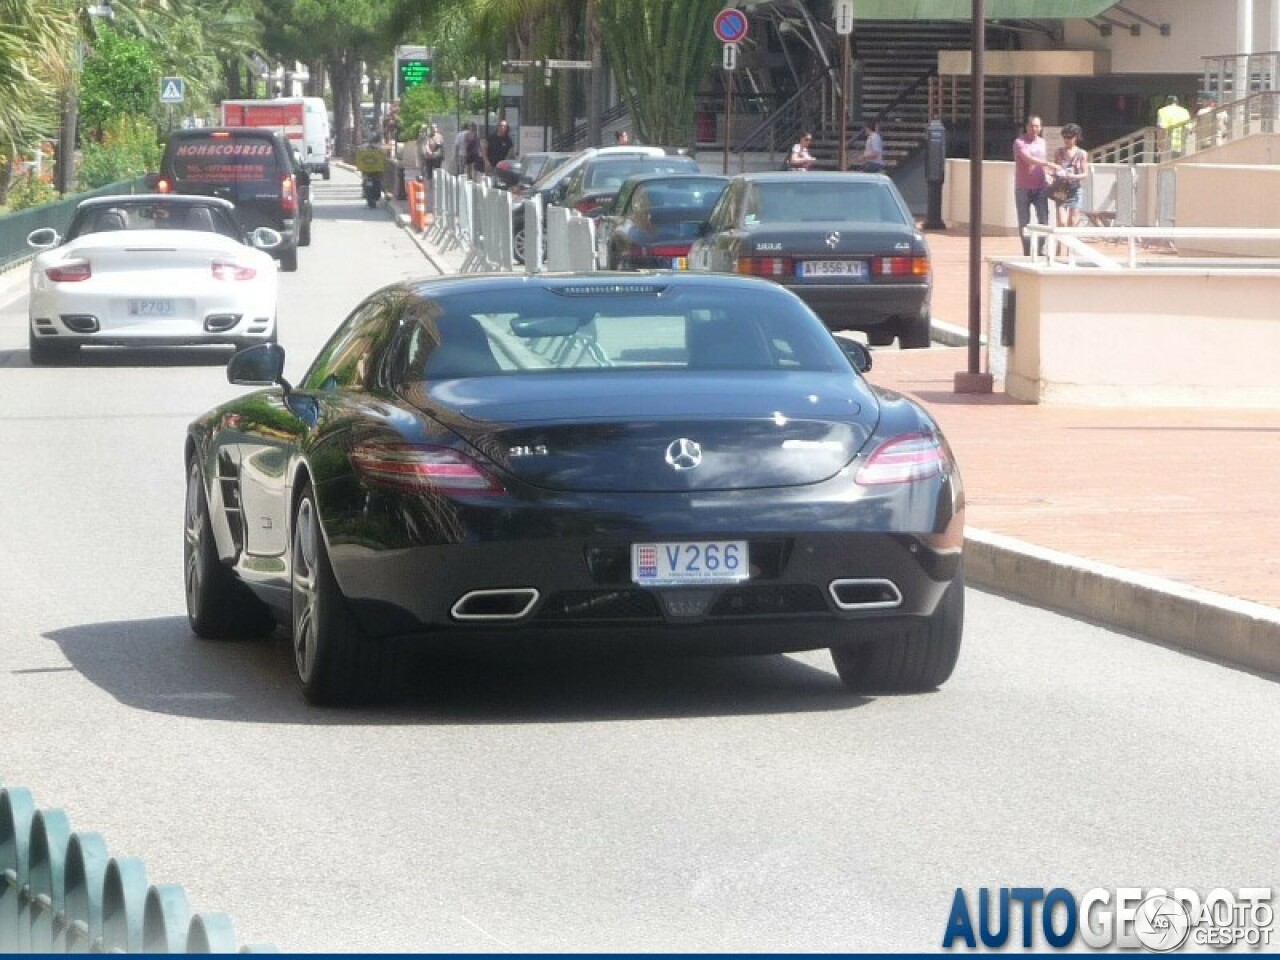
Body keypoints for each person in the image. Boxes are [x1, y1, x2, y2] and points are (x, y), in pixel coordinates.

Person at [1013, 115, 1057, 256]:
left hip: (1040, 187)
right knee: (1024, 222)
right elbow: (1028, 160)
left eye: (1037, 126)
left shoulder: (1042, 142)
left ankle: (1038, 249)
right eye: (1032, 126)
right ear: (1027, 126)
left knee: (1044, 219)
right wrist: (1047, 164)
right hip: (1023, 187)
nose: (1034, 129)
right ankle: (1027, 251)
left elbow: (1042, 160)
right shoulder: (1019, 142)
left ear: (1041, 127)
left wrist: (1048, 174)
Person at [1050, 123, 1089, 229]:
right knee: (1062, 222)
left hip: (1075, 190)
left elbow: (1085, 174)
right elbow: (1055, 169)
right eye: (1065, 137)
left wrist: (1072, 176)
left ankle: (1068, 245)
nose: (1066, 140)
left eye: (1069, 137)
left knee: (1072, 222)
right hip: (1061, 189)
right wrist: (1054, 174)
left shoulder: (1082, 154)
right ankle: (1059, 244)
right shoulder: (1059, 152)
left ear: (1075, 137)